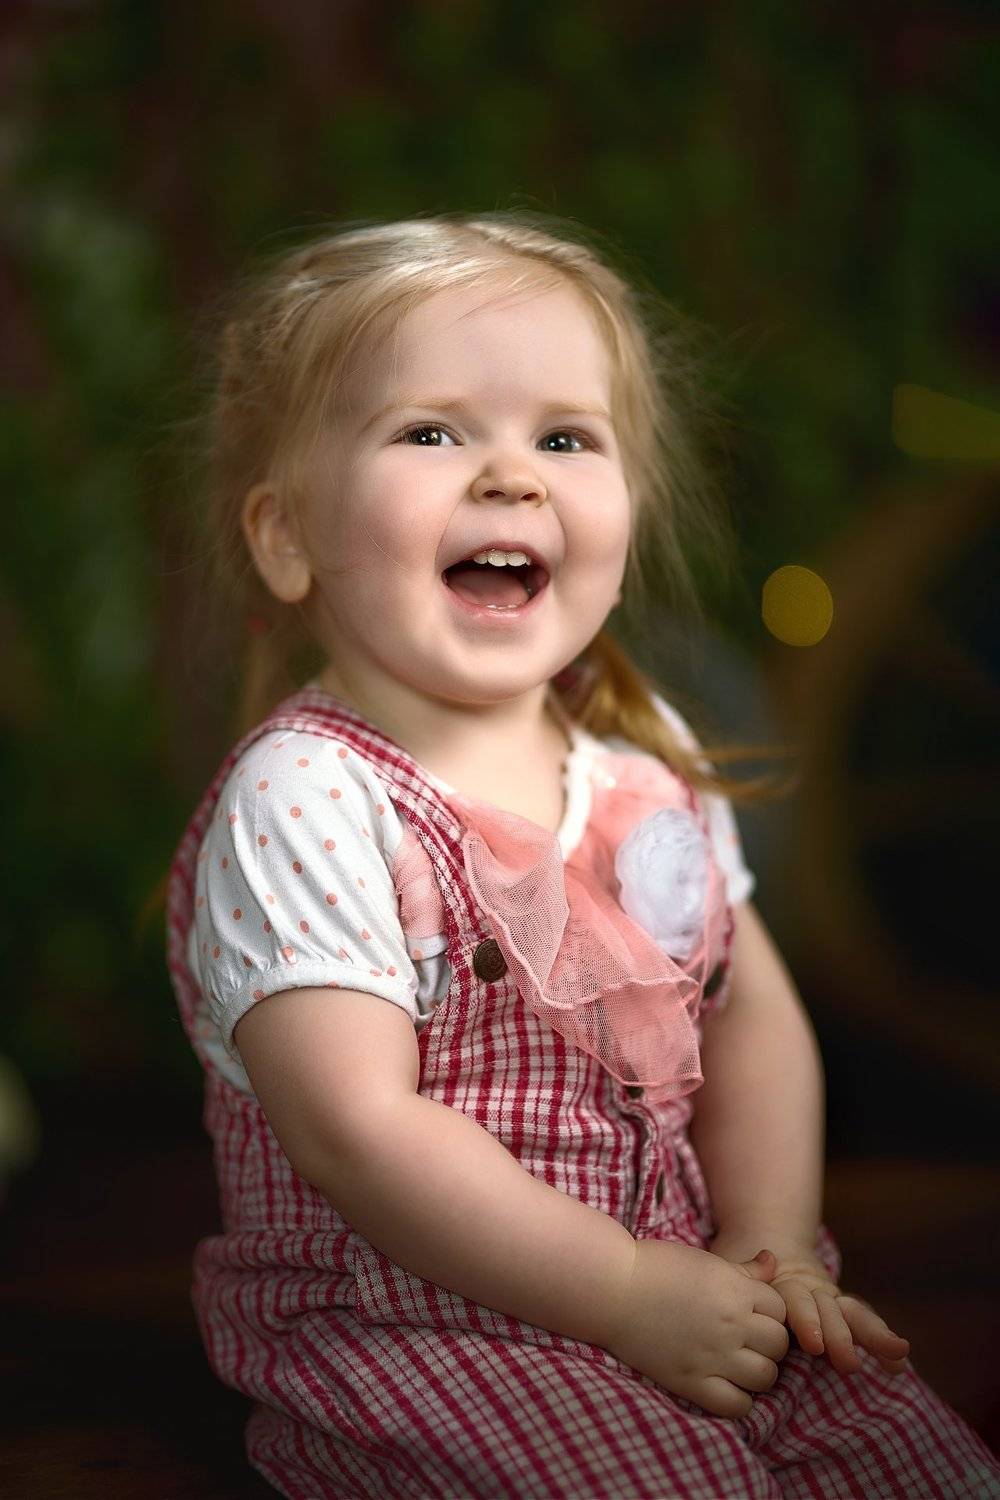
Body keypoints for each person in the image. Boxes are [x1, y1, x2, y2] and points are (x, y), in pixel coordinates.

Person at [165, 212, 999, 1499]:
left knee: (916, 1467)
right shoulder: (308, 795)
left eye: (564, 438)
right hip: (429, 1332)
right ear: (287, 536)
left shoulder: (639, 757)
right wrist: (620, 1292)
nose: (513, 476)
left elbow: (752, 1014)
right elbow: (355, 1130)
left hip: (690, 1289)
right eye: (431, 432)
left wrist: (770, 1242)